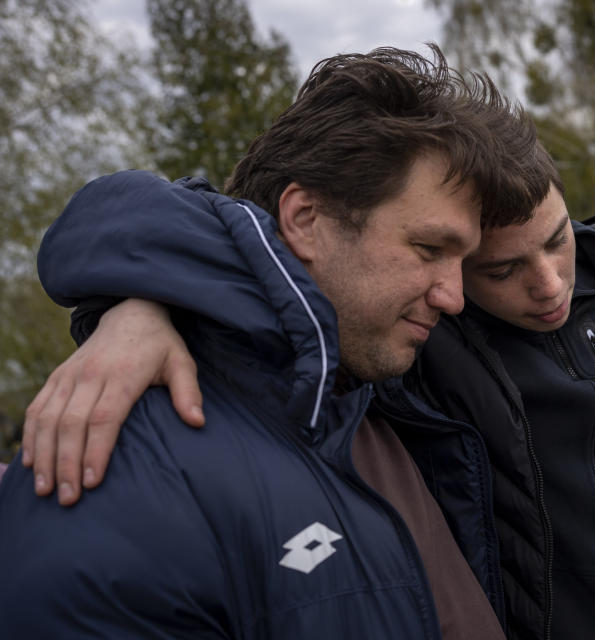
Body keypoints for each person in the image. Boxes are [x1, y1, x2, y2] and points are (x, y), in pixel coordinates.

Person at [15, 155, 595, 636]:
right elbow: (242, 244)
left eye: (559, 240)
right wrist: (144, 300)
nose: (549, 287)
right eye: (497, 269)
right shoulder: (420, 346)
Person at [0, 45, 549, 638]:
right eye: (428, 250)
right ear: (306, 218)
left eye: (465, 263)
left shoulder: (386, 389)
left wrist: (143, 296)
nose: (453, 296)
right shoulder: (114, 468)